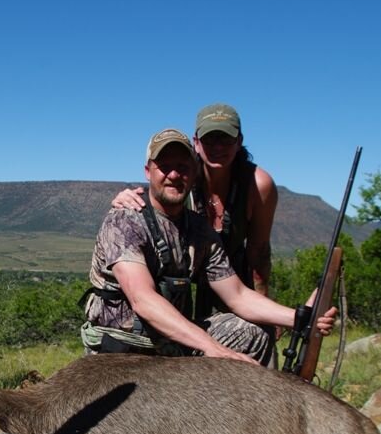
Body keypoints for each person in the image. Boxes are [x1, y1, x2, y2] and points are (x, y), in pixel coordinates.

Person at [81, 129, 333, 364]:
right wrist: (214, 348)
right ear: (148, 171)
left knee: (254, 332)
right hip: (123, 347)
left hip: (171, 343)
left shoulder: (200, 229)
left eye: (182, 167)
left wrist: (301, 318)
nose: (174, 175)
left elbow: (238, 295)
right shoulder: (125, 220)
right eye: (164, 166)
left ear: (193, 172)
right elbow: (143, 299)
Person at [112, 103, 278, 307]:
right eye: (210, 139)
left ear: (239, 141)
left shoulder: (257, 185)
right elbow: (157, 195)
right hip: (182, 280)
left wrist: (263, 301)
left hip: (232, 280)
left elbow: (259, 251)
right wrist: (127, 198)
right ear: (196, 143)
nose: (218, 147)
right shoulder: (183, 176)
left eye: (226, 138)